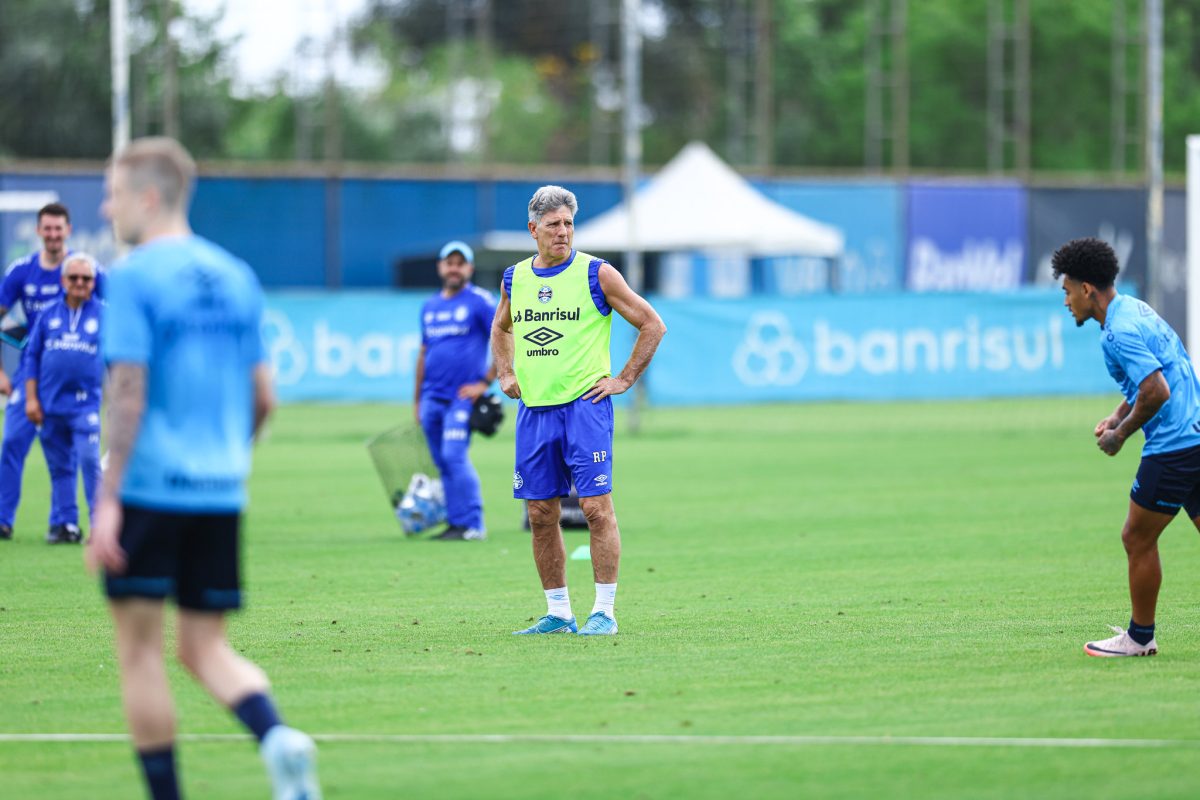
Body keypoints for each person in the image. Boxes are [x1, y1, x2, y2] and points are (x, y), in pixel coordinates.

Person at [87, 137, 320, 799]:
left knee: (140, 651)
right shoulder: (236, 274)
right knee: (203, 646)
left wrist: (108, 498)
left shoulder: (132, 276)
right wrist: (225, 460)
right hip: (221, 491)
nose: (107, 207)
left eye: (113, 192)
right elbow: (264, 395)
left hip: (151, 488)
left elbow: (127, 392)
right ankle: (278, 738)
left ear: (149, 196)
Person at [491, 185, 666, 636]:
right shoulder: (515, 278)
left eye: (568, 223)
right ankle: (559, 613)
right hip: (535, 411)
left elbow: (652, 323)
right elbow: (501, 326)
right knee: (540, 514)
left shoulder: (597, 274)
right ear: (533, 230)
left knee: (594, 508)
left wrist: (624, 379)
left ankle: (603, 612)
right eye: (553, 225)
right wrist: (505, 373)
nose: (563, 232)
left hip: (585, 408)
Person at [1053, 236, 1200, 658]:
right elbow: (1153, 376)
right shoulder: (1136, 309)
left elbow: (1156, 390)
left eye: (1067, 291)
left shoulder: (1117, 332)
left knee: (1136, 537)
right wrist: (1117, 416)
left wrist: (1122, 434)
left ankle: (1139, 637)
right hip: (1196, 433)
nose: (1066, 302)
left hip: (1174, 447)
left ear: (1086, 290)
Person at [413, 240, 497, 541]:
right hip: (431, 397)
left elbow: (505, 337)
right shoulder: (430, 306)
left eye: (460, 263)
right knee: (440, 461)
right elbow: (423, 354)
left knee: (454, 455)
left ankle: (473, 523)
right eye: (449, 263)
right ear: (440, 267)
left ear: (470, 269)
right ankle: (455, 521)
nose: (454, 268)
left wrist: (486, 382)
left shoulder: (480, 301)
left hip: (461, 398)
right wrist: (417, 401)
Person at [0, 202, 74, 541]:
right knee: (13, 441)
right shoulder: (22, 271)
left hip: (69, 379)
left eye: (59, 228)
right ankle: (3, 519)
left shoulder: (82, 271)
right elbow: (0, 317)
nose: (53, 234)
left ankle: (62, 522)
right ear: (38, 231)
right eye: (48, 228)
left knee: (63, 451)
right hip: (28, 374)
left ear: (68, 230)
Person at [24, 253, 104, 544]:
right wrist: (31, 399)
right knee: (59, 468)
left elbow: (119, 361)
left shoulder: (104, 316)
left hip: (86, 406)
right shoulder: (48, 314)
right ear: (63, 281)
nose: (80, 283)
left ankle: (99, 526)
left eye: (86, 278)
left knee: (90, 461)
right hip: (50, 405)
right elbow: (31, 357)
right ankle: (67, 525)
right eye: (74, 278)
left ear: (93, 282)